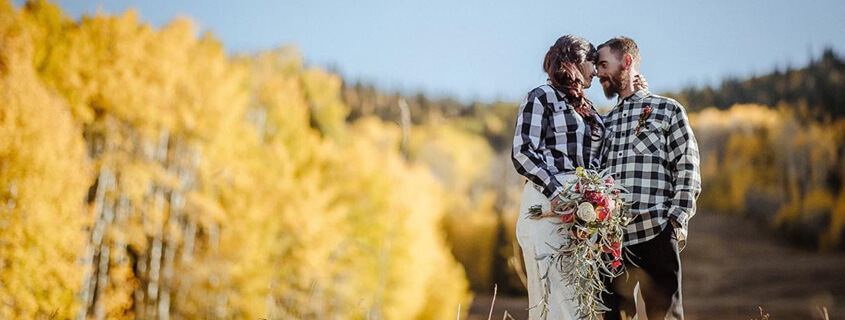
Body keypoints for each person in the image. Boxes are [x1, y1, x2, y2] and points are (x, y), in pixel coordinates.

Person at [597, 36, 702, 320]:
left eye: (604, 64)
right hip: (613, 242)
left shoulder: (667, 110)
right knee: (614, 317)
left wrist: (675, 221)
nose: (598, 72)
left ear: (627, 62)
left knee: (664, 316)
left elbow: (688, 166)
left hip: (656, 230)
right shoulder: (604, 123)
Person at [511, 34, 603, 320]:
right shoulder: (541, 97)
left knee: (579, 298)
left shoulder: (588, 108)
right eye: (592, 62)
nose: (597, 71)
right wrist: (557, 192)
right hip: (548, 204)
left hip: (583, 210)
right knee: (553, 298)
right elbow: (523, 152)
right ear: (576, 60)